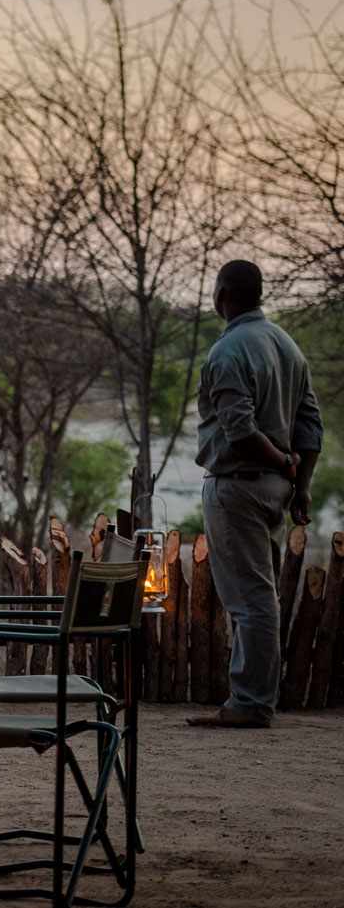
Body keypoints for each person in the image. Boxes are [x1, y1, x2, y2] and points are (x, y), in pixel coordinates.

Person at [187, 260, 322, 729]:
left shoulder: (229, 350)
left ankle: (249, 703)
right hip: (275, 491)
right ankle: (252, 698)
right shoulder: (286, 345)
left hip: (239, 486)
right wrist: (299, 484)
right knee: (261, 594)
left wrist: (285, 464)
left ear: (222, 293)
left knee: (250, 599)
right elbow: (310, 425)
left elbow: (240, 431)